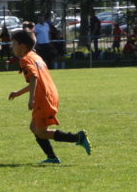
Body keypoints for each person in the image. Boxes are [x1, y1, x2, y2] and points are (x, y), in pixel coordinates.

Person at [8, 29, 91, 164]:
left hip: (43, 98)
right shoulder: (35, 56)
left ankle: (77, 138)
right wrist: (18, 93)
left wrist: (31, 99)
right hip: (50, 93)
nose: (12, 47)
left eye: (14, 44)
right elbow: (37, 81)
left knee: (41, 132)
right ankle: (52, 157)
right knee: (34, 127)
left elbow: (34, 78)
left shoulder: (25, 59)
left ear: (22, 46)